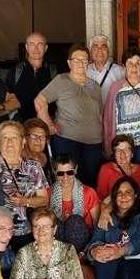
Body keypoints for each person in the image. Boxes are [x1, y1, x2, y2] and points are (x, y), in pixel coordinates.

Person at [35, 43, 104, 187]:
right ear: (69, 62)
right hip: (67, 140)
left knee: (90, 183)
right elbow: (40, 101)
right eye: (76, 60)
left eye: (84, 60)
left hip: (94, 143)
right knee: (68, 182)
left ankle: (87, 209)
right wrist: (48, 124)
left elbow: (100, 114)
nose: (80, 63)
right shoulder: (62, 80)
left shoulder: (94, 86)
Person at [0, 121, 49, 260]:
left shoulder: (33, 167)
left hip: (23, 230)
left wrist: (25, 201)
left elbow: (44, 199)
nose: (9, 142)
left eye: (14, 138)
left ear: (23, 141)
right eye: (4, 138)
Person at [48, 154, 101, 252]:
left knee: (74, 221)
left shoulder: (88, 192)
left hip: (82, 241)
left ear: (75, 170)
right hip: (58, 240)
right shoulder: (49, 193)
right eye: (60, 173)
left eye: (69, 172)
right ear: (54, 172)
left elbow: (97, 225)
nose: (65, 177)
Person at [8, 32, 53, 122]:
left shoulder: (53, 71)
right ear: (26, 47)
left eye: (40, 44)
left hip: (46, 124)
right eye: (32, 44)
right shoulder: (16, 71)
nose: (36, 48)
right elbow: (8, 98)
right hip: (21, 124)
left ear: (46, 48)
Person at [96, 134, 140, 201]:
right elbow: (100, 198)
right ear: (114, 154)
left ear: (132, 154)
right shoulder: (106, 169)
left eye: (126, 150)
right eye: (118, 150)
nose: (122, 154)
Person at [87, 34, 126, 101]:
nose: (99, 50)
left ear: (108, 51)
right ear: (90, 52)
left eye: (103, 47)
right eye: (95, 47)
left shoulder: (120, 71)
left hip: (111, 111)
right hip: (91, 111)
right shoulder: (85, 71)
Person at [22, 118, 55, 185]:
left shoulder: (46, 158)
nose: (38, 140)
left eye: (42, 137)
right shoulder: (20, 160)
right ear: (25, 138)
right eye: (34, 136)